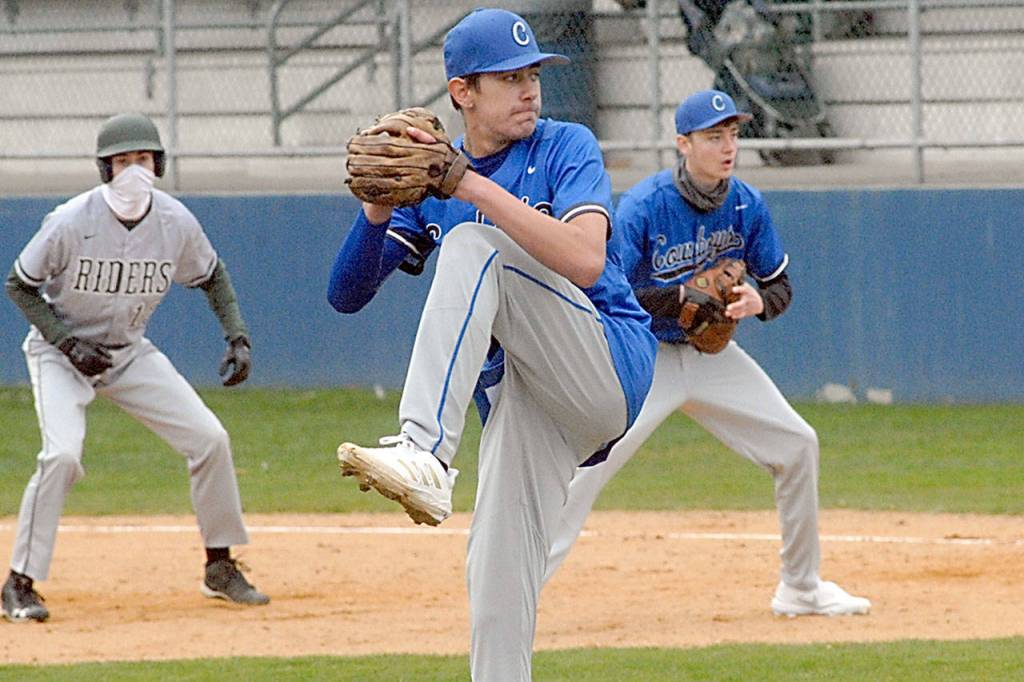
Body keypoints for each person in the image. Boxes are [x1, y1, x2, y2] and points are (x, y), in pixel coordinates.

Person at [328, 8, 656, 680]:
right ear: (462, 93)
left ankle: (425, 452)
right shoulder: (434, 183)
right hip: (523, 402)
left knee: (474, 243)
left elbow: (587, 260)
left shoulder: (566, 146)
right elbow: (346, 294)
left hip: (603, 364)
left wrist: (463, 184)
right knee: (497, 588)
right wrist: (380, 207)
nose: (530, 88)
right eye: (509, 77)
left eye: (533, 72)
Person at [544, 90, 872, 618]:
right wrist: (676, 297)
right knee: (586, 471)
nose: (728, 147)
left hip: (711, 359)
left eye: (734, 135)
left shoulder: (745, 203)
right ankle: (518, 593)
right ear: (683, 143)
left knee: (797, 445)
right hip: (645, 355)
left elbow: (779, 283)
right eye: (714, 136)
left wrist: (759, 301)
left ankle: (801, 588)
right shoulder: (644, 207)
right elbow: (604, 289)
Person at [2, 112, 269, 623]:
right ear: (105, 169)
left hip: (126, 352)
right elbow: (20, 284)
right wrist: (64, 342)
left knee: (209, 439)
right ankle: (19, 583)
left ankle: (220, 565)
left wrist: (237, 336)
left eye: (142, 159)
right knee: (61, 457)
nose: (133, 172)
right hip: (61, 355)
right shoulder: (71, 221)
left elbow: (212, 276)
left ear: (158, 164)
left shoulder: (174, 222)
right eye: (122, 161)